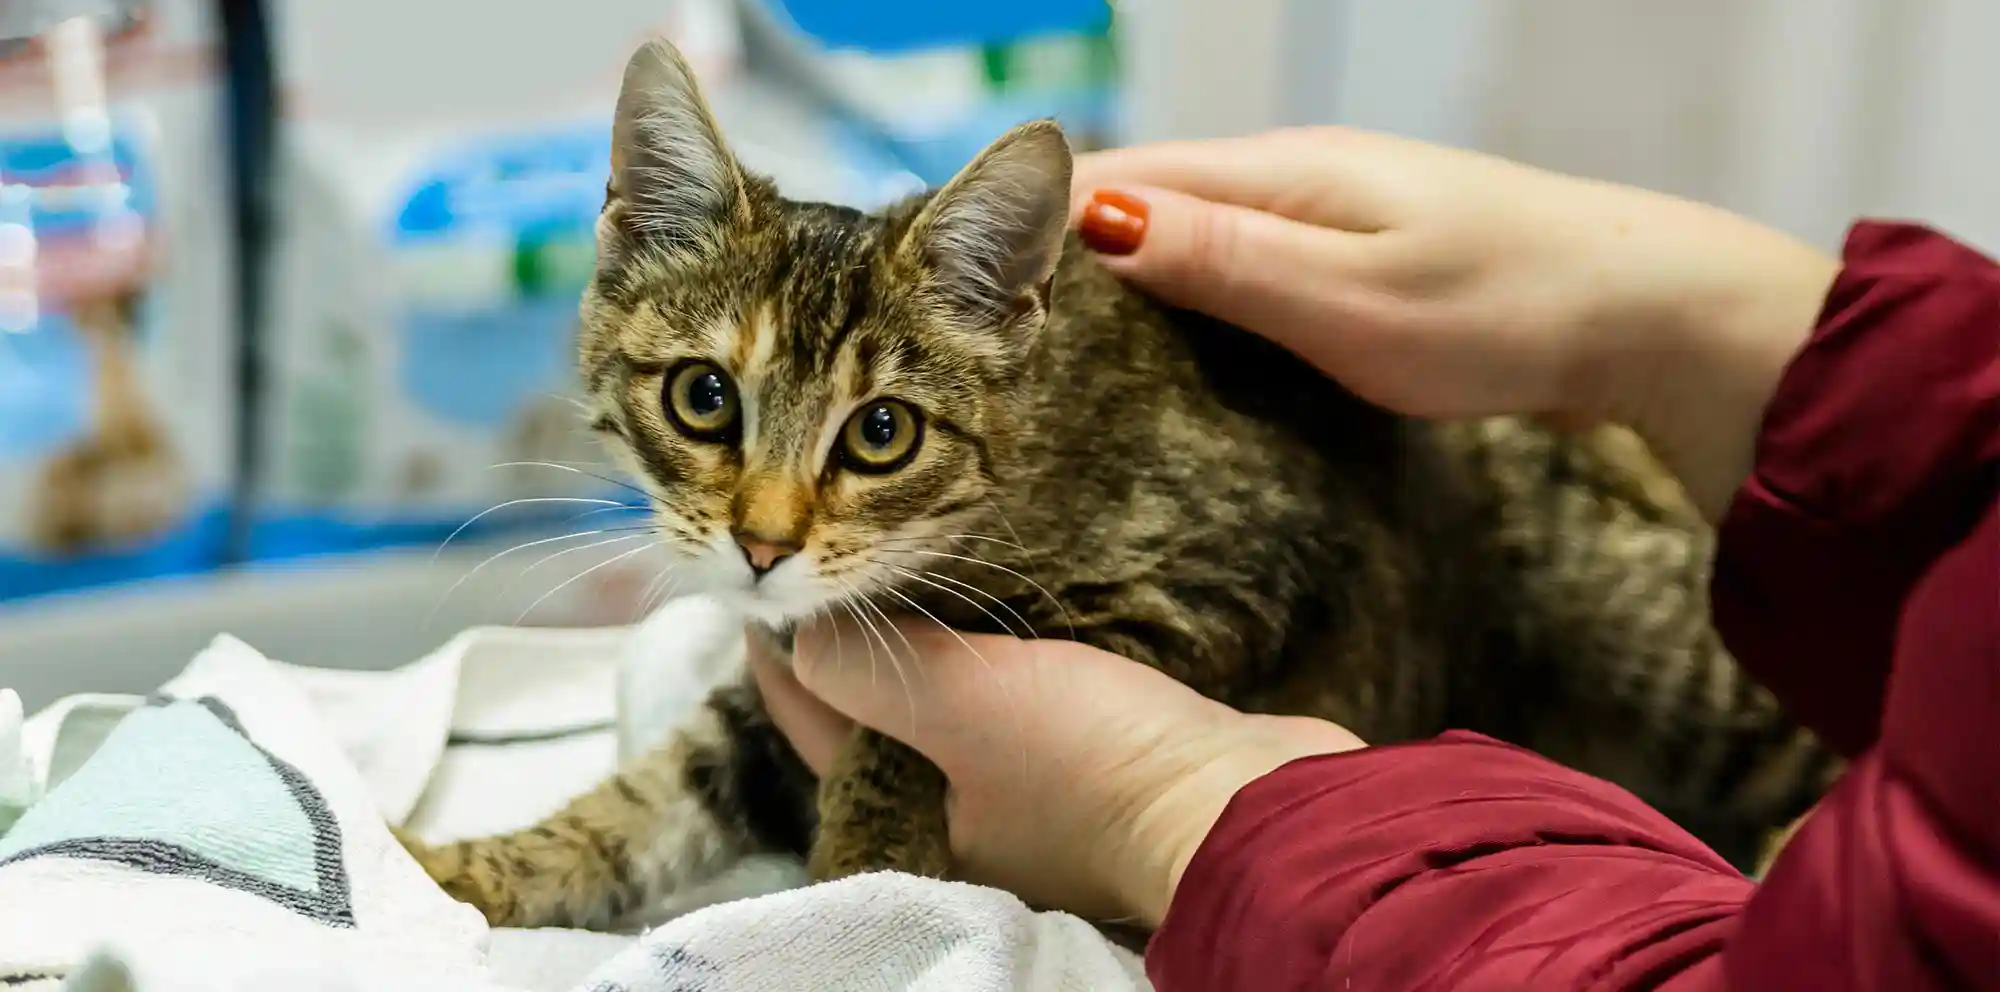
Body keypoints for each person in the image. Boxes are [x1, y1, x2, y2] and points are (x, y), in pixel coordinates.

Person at [747, 127, 1999, 990]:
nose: (767, 518)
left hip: (1506, 621)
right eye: (706, 404)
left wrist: (1170, 802)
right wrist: (1700, 323)